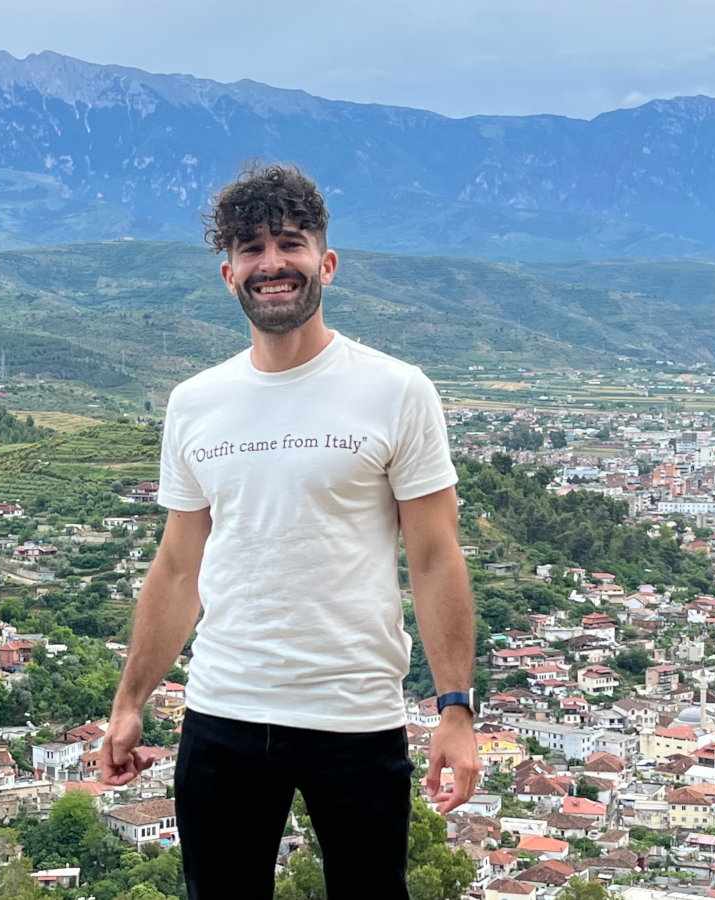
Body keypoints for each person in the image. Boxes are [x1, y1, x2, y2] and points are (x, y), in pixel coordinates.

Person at [101, 163, 479, 897]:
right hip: (223, 713)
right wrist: (129, 702)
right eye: (251, 248)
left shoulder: (396, 390)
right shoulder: (195, 403)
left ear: (326, 263)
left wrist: (455, 710)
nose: (272, 264)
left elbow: (435, 558)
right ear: (227, 273)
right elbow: (178, 566)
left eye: (290, 243)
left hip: (355, 714)